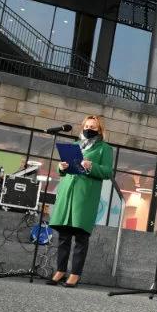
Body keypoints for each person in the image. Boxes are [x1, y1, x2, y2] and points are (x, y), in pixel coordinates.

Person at [48, 115, 114, 288]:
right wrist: (60, 167)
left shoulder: (104, 148)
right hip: (67, 192)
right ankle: (60, 271)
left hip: (85, 196)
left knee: (80, 237)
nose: (89, 129)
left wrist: (91, 166)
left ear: (100, 130)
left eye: (93, 127)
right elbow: (63, 168)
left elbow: (107, 172)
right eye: (87, 125)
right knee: (63, 235)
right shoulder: (75, 145)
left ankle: (75, 274)